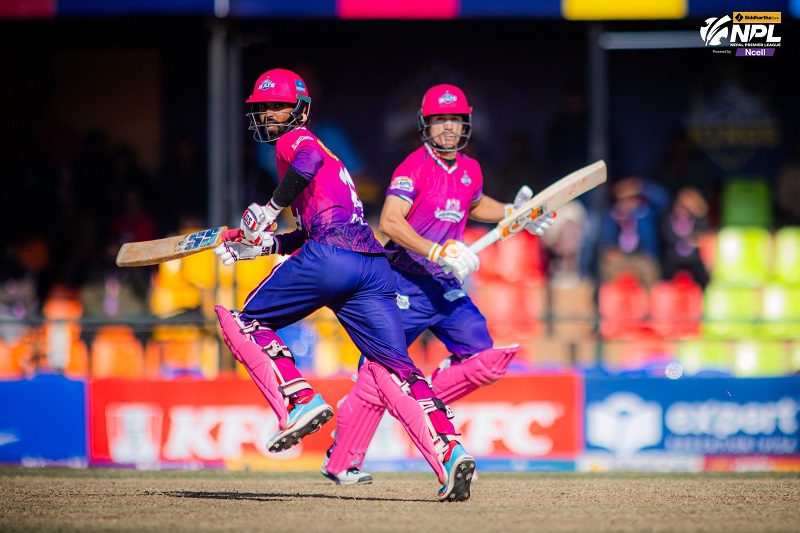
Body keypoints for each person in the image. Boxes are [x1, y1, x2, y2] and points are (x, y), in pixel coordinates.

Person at [212, 69, 476, 502]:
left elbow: (307, 168)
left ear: (301, 111)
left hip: (331, 258)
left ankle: (298, 400)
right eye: (263, 108)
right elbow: (311, 229)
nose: (270, 115)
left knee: (242, 321)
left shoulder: (296, 142)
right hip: (370, 265)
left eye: (278, 107)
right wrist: (264, 245)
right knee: (396, 368)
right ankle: (450, 453)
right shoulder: (327, 161)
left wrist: (269, 209)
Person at [321, 84, 554, 485]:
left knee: (483, 354)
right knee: (378, 373)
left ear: (466, 124)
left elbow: (474, 204)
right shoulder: (412, 167)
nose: (448, 127)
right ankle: (342, 460)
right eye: (439, 120)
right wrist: (435, 251)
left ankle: (416, 399)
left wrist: (514, 212)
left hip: (442, 285)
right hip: (402, 281)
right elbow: (390, 221)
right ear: (425, 125)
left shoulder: (470, 169)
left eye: (455, 120)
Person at [660, 186, 710, 288]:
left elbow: (701, 237)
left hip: (693, 259)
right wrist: (688, 238)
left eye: (686, 207)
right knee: (665, 278)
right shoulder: (668, 218)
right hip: (673, 258)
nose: (682, 210)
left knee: (702, 276)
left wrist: (694, 239)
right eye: (680, 205)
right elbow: (668, 237)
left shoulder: (698, 219)